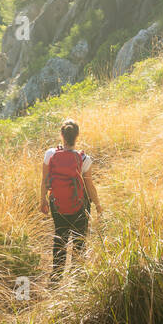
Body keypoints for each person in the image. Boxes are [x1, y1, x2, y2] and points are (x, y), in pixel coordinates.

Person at [40, 119, 101, 280]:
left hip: (57, 204)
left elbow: (45, 180)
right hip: (80, 206)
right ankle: (77, 276)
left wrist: (43, 200)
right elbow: (90, 186)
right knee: (79, 240)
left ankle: (57, 274)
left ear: (61, 135)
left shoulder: (50, 155)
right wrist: (98, 205)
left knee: (60, 235)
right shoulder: (84, 159)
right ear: (77, 136)